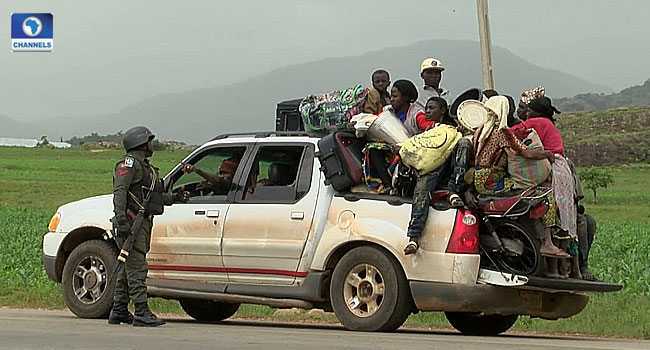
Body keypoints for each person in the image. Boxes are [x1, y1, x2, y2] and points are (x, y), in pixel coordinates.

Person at [471, 96, 568, 259]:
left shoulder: (480, 130)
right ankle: (547, 243)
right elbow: (527, 152)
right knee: (543, 196)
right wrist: (547, 154)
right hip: (492, 182)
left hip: (480, 179)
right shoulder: (502, 132)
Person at [109, 126, 185, 327]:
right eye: (149, 141)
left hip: (143, 222)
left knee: (128, 268)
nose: (152, 144)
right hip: (132, 223)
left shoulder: (147, 168)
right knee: (137, 268)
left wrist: (174, 198)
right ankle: (142, 311)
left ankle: (118, 310)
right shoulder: (130, 164)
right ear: (140, 143)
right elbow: (120, 192)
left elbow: (151, 197)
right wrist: (121, 221)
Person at [404, 98, 472, 255]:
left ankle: (452, 191)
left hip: (448, 173)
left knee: (464, 143)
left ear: (442, 111)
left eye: (431, 108)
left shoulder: (452, 130)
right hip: (430, 169)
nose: (427, 111)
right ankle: (414, 237)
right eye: (426, 108)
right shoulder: (424, 133)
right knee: (422, 189)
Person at [365, 79, 419, 194]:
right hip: (391, 147)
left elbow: (427, 129)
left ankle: (400, 189)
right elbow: (374, 120)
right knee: (373, 149)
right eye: (391, 96)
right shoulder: (388, 111)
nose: (391, 99)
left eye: (395, 96)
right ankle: (387, 185)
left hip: (412, 148)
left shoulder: (416, 114)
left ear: (405, 98)